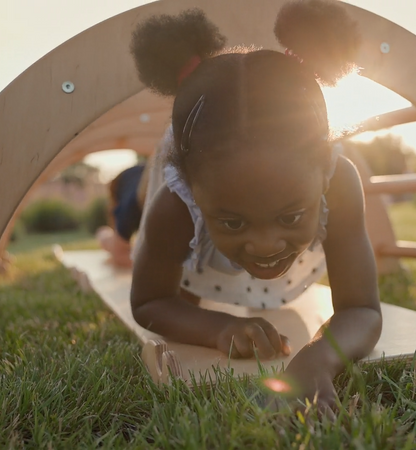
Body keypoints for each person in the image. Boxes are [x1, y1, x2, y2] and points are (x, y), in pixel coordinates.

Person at [129, 0, 381, 408]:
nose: (265, 244)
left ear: (322, 172)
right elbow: (150, 300)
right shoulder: (175, 204)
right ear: (194, 191)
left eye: (291, 216)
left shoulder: (340, 181)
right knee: (167, 277)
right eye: (231, 222)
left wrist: (317, 360)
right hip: (184, 225)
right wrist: (215, 327)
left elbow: (362, 309)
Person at [96, 162, 148, 268]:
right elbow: (120, 256)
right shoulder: (130, 205)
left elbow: (120, 256)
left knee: (113, 242)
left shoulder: (132, 202)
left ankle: (104, 235)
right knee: (113, 242)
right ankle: (104, 235)